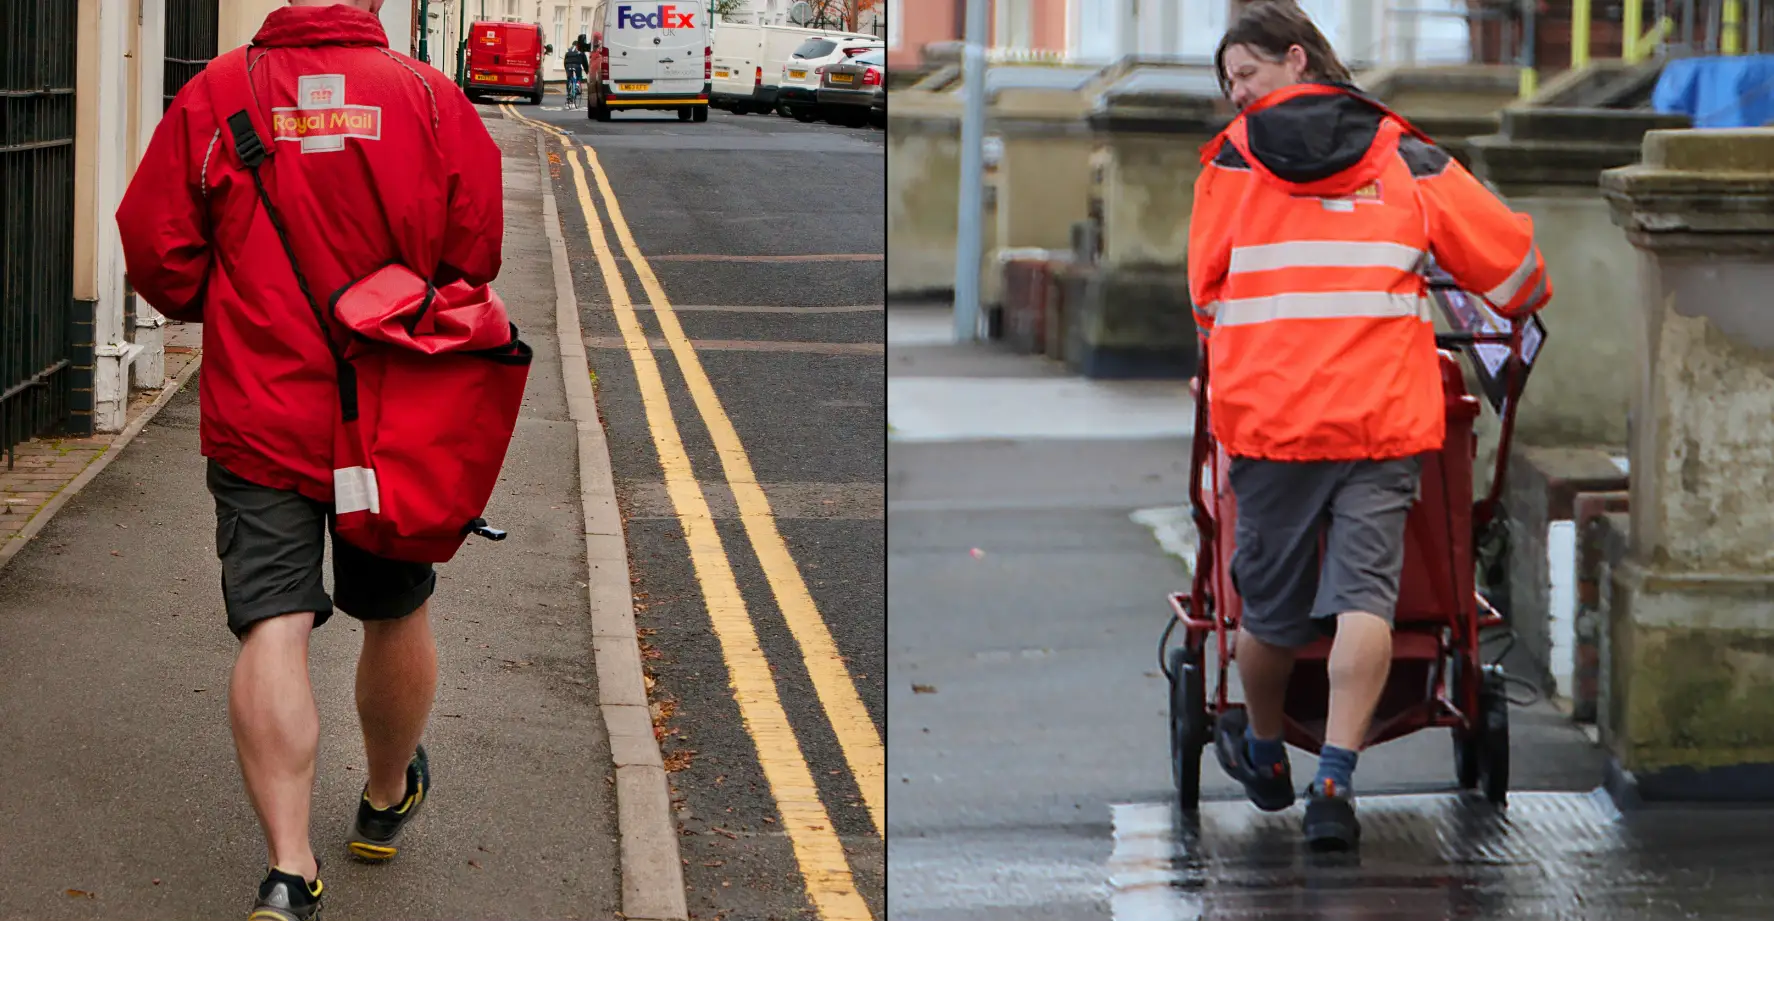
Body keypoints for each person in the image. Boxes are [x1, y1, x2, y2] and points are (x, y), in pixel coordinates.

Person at [116, 0, 503, 923]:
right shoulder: (430, 98)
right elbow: (475, 252)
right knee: (395, 607)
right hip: (393, 414)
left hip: (261, 411)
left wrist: (232, 300)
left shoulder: (217, 94)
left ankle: (289, 871)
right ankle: (384, 795)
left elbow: (157, 252)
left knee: (272, 623)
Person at [1188, 1, 1549, 849]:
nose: (1236, 92)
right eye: (1229, 80)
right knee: (1366, 598)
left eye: (1245, 73)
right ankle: (1335, 782)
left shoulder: (1231, 163)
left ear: (1297, 58)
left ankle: (1267, 750)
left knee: (1267, 613)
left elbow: (1206, 295)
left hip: (1272, 419)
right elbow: (1517, 274)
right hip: (1381, 413)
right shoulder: (1404, 153)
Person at [564, 37, 589, 108]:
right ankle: (577, 85)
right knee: (579, 76)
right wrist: (587, 71)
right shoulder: (580, 50)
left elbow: (565, 61)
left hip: (568, 65)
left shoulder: (568, 50)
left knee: (569, 78)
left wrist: (566, 69)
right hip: (577, 65)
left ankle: (569, 93)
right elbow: (585, 62)